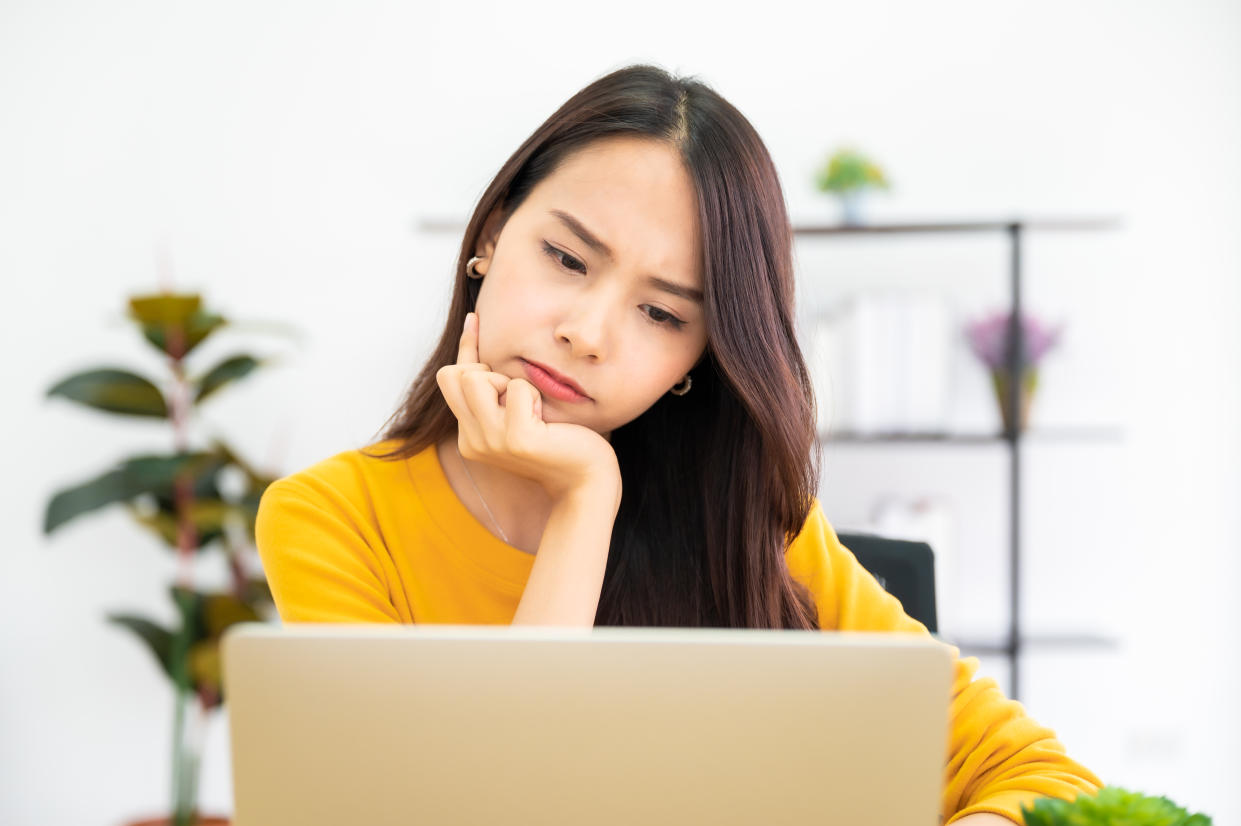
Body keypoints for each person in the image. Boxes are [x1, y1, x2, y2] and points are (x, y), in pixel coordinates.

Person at [254, 63, 1102, 825]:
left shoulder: (752, 527)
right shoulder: (334, 520)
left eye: (661, 313)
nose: (586, 333)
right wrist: (584, 503)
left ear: (700, 356)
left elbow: (1046, 778)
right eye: (565, 257)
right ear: (490, 235)